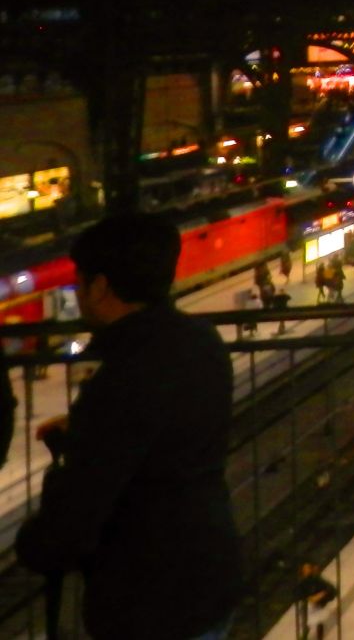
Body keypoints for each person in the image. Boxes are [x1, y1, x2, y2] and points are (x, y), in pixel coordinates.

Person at [15, 212, 243, 640]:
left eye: (80, 284)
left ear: (101, 288)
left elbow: (78, 515)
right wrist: (86, 428)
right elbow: (165, 430)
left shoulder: (122, 375)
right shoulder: (200, 341)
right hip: (209, 573)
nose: (78, 296)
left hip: (150, 602)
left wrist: (33, 544)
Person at [295, 562, 337, 640]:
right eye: (306, 569)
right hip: (308, 605)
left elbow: (328, 588)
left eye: (308, 568)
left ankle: (319, 638)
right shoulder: (302, 583)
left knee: (319, 621)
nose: (308, 570)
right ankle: (304, 637)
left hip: (317, 604)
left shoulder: (315, 579)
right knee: (308, 622)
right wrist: (312, 598)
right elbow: (303, 595)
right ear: (303, 571)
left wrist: (321, 595)